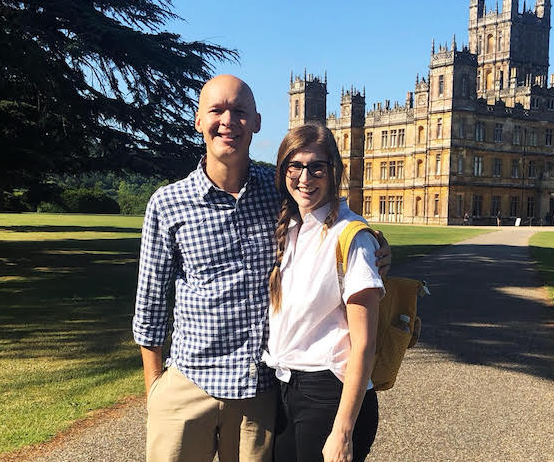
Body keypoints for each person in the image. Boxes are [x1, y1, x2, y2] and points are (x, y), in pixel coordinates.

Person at [132, 75, 390, 462]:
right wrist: (156, 390)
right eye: (216, 110)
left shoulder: (280, 193)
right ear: (199, 120)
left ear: (256, 122)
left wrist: (375, 245)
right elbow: (150, 306)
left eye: (239, 111)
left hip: (260, 394)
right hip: (189, 384)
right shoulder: (167, 203)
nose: (228, 121)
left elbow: (335, 224)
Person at [264, 124, 383, 462]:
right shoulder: (288, 227)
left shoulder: (351, 236)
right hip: (285, 388)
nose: (305, 177)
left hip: (329, 394)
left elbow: (364, 344)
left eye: (316, 167)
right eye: (295, 166)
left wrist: (342, 431)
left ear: (334, 171)